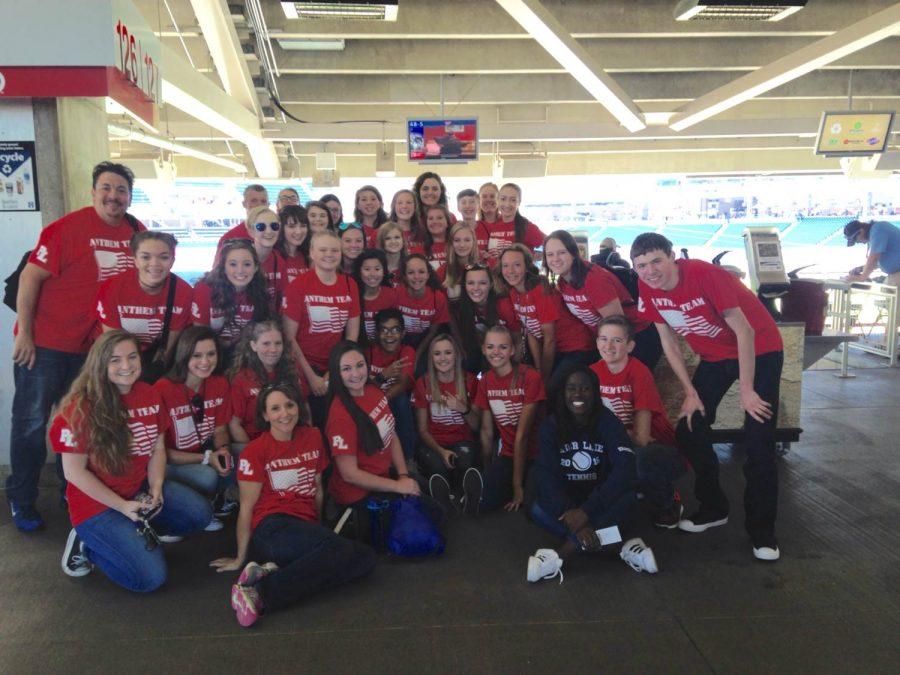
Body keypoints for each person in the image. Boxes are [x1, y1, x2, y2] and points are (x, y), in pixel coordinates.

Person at [631, 233, 784, 561]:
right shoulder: (646, 286)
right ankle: (714, 507)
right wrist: (690, 392)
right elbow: (667, 342)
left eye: (656, 261)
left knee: (758, 440)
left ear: (672, 256)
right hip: (715, 357)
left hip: (760, 350)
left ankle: (762, 530)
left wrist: (747, 390)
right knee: (689, 427)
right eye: (641, 265)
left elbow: (745, 331)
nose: (650, 271)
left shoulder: (705, 275)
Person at [9, 161, 145, 532]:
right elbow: (30, 278)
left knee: (82, 429)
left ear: (129, 197)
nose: (113, 196)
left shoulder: (136, 232)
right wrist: (25, 334)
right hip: (46, 345)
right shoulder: (67, 229)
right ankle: (21, 499)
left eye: (121, 190)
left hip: (92, 353)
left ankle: (72, 493)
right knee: (31, 424)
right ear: (94, 191)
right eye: (107, 188)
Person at [52, 330, 212, 589]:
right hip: (97, 506)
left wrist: (156, 488)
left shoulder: (148, 394)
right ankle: (87, 545)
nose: (126, 366)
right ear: (100, 363)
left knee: (200, 515)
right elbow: (74, 473)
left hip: (137, 491)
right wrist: (122, 506)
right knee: (149, 579)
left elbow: (158, 450)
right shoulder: (78, 409)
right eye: (115, 360)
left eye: (132, 357)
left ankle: (133, 531)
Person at [210, 382, 375, 627]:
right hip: (271, 528)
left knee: (365, 558)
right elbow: (246, 508)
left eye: (289, 405)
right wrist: (239, 557)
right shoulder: (255, 451)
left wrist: (319, 532)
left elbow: (317, 489)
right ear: (265, 415)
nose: (284, 413)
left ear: (298, 407)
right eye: (275, 409)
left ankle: (273, 573)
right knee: (338, 553)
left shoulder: (313, 437)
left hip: (302, 526)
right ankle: (259, 594)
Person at [526, 365, 656, 584]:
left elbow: (625, 468)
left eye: (586, 389)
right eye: (572, 388)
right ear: (563, 393)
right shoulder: (551, 426)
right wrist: (573, 515)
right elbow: (546, 475)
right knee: (537, 508)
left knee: (629, 499)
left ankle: (560, 555)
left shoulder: (608, 422)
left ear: (595, 393)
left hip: (600, 500)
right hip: (568, 505)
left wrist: (586, 512)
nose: (578, 395)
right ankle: (621, 548)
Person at [590, 316, 685, 528]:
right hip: (620, 439)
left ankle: (669, 503)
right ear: (596, 342)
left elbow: (642, 437)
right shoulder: (593, 372)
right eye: (603, 339)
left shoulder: (639, 372)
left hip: (654, 446)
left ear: (630, 346)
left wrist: (613, 436)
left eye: (617, 340)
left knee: (640, 460)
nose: (609, 346)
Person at [324, 342, 421, 540]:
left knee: (425, 496)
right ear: (337, 373)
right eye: (346, 369)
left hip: (384, 477)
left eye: (360, 365)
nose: (356, 373)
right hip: (358, 495)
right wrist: (397, 486)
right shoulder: (340, 416)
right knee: (424, 522)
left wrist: (403, 475)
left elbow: (391, 435)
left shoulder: (373, 390)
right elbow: (350, 475)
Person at [544, 229, 661, 372]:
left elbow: (618, 324)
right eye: (550, 254)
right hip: (608, 343)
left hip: (636, 339)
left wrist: (606, 361)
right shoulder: (563, 282)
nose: (555, 259)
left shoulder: (593, 279)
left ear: (574, 253)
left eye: (562, 252)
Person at [154, 326, 234, 524]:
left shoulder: (220, 383)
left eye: (210, 354)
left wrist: (223, 451)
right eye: (197, 355)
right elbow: (160, 452)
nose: (205, 362)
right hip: (167, 463)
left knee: (242, 456)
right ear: (184, 355)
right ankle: (170, 515)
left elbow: (221, 429)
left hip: (203, 452)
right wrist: (207, 458)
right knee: (207, 476)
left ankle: (212, 502)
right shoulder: (162, 389)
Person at [282, 230, 361, 426]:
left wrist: (334, 371)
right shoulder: (298, 286)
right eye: (323, 249)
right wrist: (312, 377)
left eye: (334, 250)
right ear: (312, 253)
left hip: (335, 364)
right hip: (304, 365)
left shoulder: (350, 284)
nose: (329, 254)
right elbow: (288, 337)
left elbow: (352, 335)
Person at [96, 231, 193, 383]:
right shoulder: (113, 288)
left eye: (164, 257)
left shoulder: (183, 292)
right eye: (146, 257)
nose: (155, 263)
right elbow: (113, 344)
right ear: (135, 260)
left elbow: (166, 350)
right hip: (118, 362)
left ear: (173, 260)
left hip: (153, 362)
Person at [496, 244, 593, 382]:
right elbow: (531, 332)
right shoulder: (514, 293)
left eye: (517, 265)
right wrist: (538, 368)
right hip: (557, 351)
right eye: (505, 266)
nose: (510, 271)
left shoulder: (540, 290)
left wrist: (544, 378)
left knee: (550, 389)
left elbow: (550, 339)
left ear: (527, 267)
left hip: (576, 349)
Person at [475, 325, 546, 513]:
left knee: (531, 504)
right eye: (490, 347)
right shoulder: (485, 381)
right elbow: (487, 431)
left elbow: (522, 436)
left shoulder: (529, 376)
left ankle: (518, 485)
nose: (495, 352)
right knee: (482, 502)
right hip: (508, 455)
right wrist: (487, 471)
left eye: (502, 347)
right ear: (483, 349)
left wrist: (517, 487)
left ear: (512, 350)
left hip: (537, 454)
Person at [413, 333, 483, 515]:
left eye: (448, 352)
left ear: (456, 355)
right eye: (437, 354)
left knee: (465, 462)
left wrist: (463, 408)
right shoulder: (423, 383)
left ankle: (469, 497)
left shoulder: (470, 381)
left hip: (462, 440)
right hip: (434, 442)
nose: (443, 358)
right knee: (437, 468)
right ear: (431, 358)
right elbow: (422, 430)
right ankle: (443, 501)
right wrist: (441, 451)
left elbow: (476, 426)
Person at [228, 319, 307, 445]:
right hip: (256, 445)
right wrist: (253, 452)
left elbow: (305, 407)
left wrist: (306, 440)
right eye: (266, 344)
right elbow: (234, 425)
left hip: (290, 441)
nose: (273, 349)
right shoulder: (241, 379)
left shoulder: (293, 371)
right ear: (254, 346)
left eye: (278, 343)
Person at [191, 240, 270, 356]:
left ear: (256, 267)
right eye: (233, 264)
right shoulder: (205, 289)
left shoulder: (260, 289)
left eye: (247, 264)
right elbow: (199, 335)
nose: (240, 270)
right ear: (223, 267)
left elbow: (259, 332)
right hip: (211, 352)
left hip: (245, 352)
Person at [366, 309, 416, 464]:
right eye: (384, 330)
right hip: (369, 405)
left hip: (391, 404)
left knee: (401, 400)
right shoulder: (369, 353)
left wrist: (379, 403)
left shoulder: (406, 351)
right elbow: (363, 389)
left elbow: (403, 384)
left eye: (395, 330)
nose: (389, 335)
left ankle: (409, 460)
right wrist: (382, 376)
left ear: (402, 333)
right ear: (377, 333)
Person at [453, 263, 518, 374]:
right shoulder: (462, 309)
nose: (476, 288)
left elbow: (518, 341)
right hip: (483, 355)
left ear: (491, 284)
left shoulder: (503, 305)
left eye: (482, 283)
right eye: (470, 283)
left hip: (508, 357)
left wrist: (512, 372)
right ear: (464, 285)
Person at [395, 253, 452, 363]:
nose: (416, 277)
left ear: (428, 274)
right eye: (411, 272)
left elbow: (432, 333)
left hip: (425, 342)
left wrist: (417, 355)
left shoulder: (438, 298)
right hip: (401, 340)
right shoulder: (396, 294)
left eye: (421, 272)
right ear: (405, 276)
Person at [844, 220, 900, 331]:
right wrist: (862, 269)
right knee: (893, 310)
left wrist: (862, 277)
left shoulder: (878, 229)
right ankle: (888, 344)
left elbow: (874, 257)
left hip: (897, 274)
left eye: (856, 239)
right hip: (894, 274)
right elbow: (879, 261)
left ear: (861, 231)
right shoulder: (877, 230)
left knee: (895, 314)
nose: (858, 242)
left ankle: (887, 346)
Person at [477, 183, 545, 266]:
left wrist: (529, 258)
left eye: (513, 200)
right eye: (503, 199)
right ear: (498, 200)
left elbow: (552, 245)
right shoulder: (494, 224)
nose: (507, 204)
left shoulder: (525, 226)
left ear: (519, 202)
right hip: (495, 277)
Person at [246, 206, 287, 311]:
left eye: (274, 226)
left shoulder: (279, 261)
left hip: (268, 322)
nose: (269, 231)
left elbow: (281, 301)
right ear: (251, 231)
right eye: (261, 227)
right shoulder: (240, 259)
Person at [353, 248, 398, 343]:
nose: (372, 274)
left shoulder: (391, 295)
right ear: (359, 272)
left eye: (377, 269)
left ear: (384, 271)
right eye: (367, 269)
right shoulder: (353, 294)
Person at [437, 222, 481, 302]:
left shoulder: (483, 269)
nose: (462, 245)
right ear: (451, 243)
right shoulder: (441, 272)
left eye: (467, 240)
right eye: (457, 240)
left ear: (474, 242)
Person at [217, 184, 269, 248]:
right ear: (244, 204)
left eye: (263, 201)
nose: (259, 205)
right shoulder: (230, 238)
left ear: (268, 205)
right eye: (254, 201)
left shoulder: (276, 237)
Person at [413, 171, 455, 243]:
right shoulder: (411, 218)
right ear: (418, 192)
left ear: (441, 192)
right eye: (425, 189)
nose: (430, 193)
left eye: (435, 189)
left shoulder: (451, 218)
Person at [275, 204, 310, 284]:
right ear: (281, 228)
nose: (298, 231)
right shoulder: (274, 256)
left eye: (303, 226)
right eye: (291, 226)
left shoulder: (308, 256)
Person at [375, 221, 410, 286]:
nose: (393, 241)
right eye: (388, 238)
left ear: (403, 240)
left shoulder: (410, 265)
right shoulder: (376, 268)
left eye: (397, 237)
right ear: (382, 242)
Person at [422, 204, 452, 269]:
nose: (435, 222)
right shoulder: (419, 250)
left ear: (447, 222)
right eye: (430, 218)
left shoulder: (457, 247)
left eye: (439, 218)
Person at [475, 182, 500, 257]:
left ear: (498, 199)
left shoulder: (508, 223)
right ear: (479, 201)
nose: (488, 199)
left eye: (492, 196)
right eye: (484, 196)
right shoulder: (473, 227)